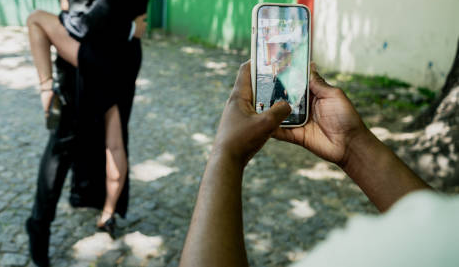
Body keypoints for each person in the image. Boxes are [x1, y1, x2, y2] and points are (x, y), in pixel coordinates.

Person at [178, 61, 459, 267]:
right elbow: (428, 220)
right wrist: (350, 144)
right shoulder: (444, 237)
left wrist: (225, 154)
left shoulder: (373, 251)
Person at [25, 0, 160, 243]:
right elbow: (87, 20)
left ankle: (103, 208)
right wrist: (131, 26)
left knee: (111, 141)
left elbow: (87, 22)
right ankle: (46, 223)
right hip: (82, 71)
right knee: (66, 146)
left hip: (102, 63)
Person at [25, 0, 117, 267]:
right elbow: (81, 23)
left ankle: (87, 197)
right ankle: (38, 226)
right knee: (59, 152)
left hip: (93, 75)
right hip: (76, 78)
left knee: (96, 142)